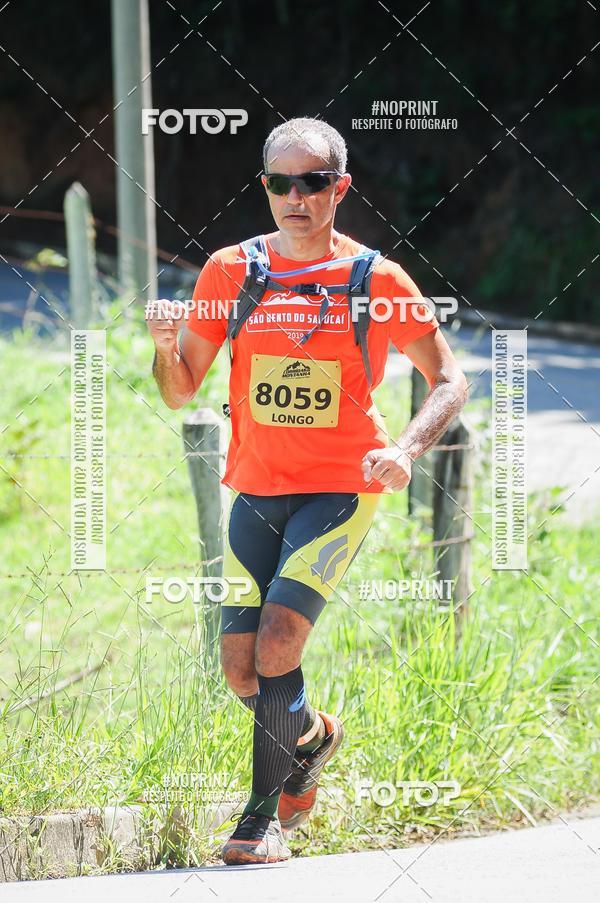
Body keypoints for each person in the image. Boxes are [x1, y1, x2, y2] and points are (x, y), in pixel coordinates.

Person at [147, 117, 468, 866]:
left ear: (339, 189)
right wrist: (164, 350)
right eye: (280, 183)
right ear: (265, 188)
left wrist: (406, 447)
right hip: (255, 487)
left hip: (341, 489)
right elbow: (178, 389)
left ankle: (263, 818)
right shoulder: (231, 271)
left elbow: (450, 377)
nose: (296, 196)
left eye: (313, 182)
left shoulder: (377, 279)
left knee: (279, 640)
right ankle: (315, 735)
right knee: (238, 665)